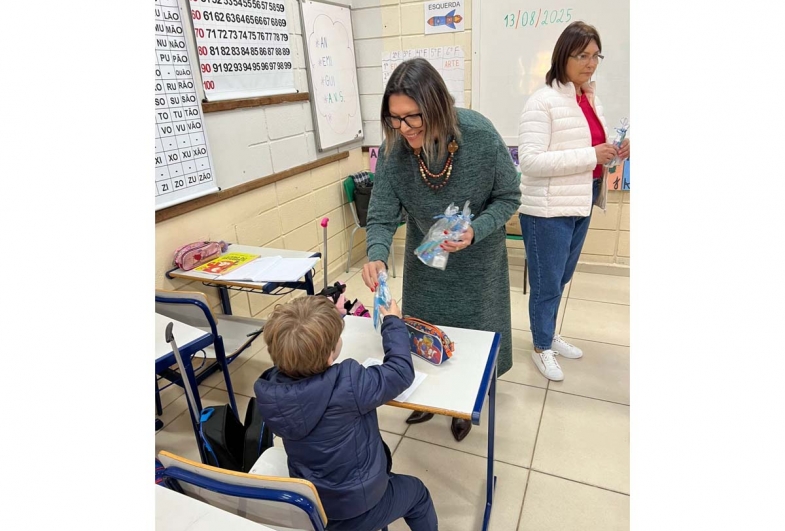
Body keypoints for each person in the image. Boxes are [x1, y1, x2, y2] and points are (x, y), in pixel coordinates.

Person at [361, 58, 521, 442]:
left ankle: (464, 405)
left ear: (437, 107)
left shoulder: (479, 135)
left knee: (472, 339)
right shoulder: (395, 151)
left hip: (477, 266)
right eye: (394, 119)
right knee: (421, 334)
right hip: (427, 267)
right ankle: (426, 398)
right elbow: (382, 214)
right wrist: (377, 254)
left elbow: (509, 196)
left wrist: (476, 230)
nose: (403, 128)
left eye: (412, 118)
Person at [253, 296, 438, 531]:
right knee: (418, 494)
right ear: (330, 355)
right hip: (358, 509)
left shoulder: (271, 390)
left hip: (313, 505)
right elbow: (400, 372)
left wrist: (333, 315)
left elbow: (296, 341)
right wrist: (392, 321)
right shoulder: (348, 384)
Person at [517, 21, 630, 381]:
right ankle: (540, 347)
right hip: (547, 212)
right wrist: (591, 155)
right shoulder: (542, 101)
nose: (591, 63)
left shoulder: (588, 98)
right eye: (583, 55)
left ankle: (548, 335)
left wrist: (614, 152)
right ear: (563, 55)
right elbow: (530, 162)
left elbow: (593, 151)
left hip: (580, 204)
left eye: (596, 55)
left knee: (560, 279)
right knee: (547, 284)